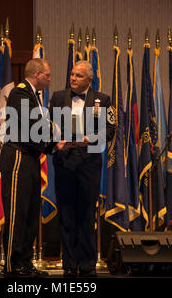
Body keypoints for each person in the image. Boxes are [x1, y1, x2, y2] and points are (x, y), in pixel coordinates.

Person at [49, 60, 116, 277]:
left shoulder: (103, 100)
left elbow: (109, 130)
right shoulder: (58, 97)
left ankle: (87, 265)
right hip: (64, 162)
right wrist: (56, 140)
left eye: (78, 75)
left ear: (90, 79)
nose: (73, 78)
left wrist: (87, 139)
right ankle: (69, 264)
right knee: (67, 214)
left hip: (89, 164)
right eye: (72, 74)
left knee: (86, 215)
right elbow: (49, 126)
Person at [0, 58, 65, 277]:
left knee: (29, 213)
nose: (49, 79)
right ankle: (12, 264)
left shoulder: (32, 95)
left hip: (30, 156)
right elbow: (33, 125)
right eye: (47, 75)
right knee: (17, 212)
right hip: (18, 155)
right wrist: (53, 142)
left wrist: (51, 143)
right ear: (37, 74)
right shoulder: (21, 93)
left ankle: (25, 262)